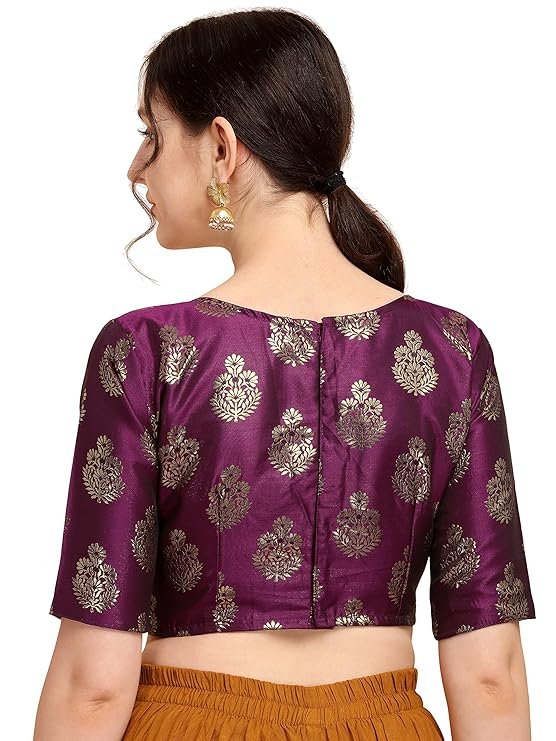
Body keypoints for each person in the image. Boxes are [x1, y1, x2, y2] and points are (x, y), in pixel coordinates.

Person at [34, 8, 536, 740]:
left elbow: (92, 687)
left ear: (220, 147)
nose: (137, 167)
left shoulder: (146, 350)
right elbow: (491, 677)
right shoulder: (452, 351)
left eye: (152, 134)